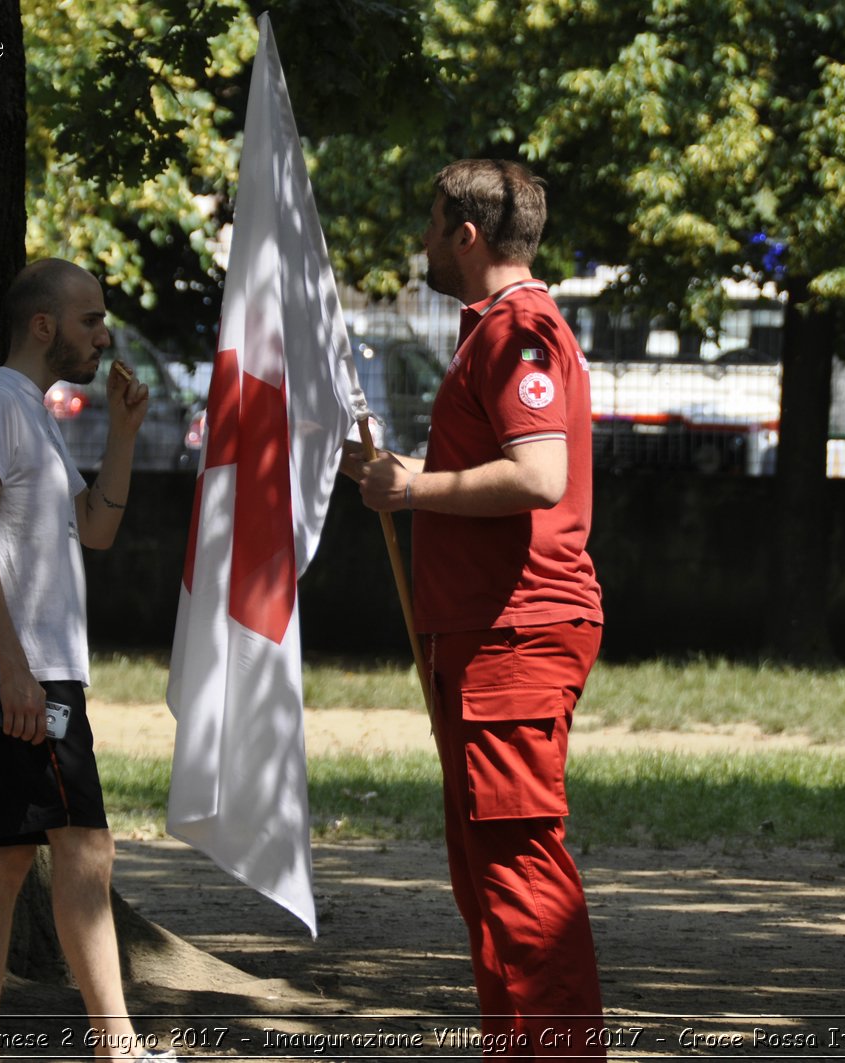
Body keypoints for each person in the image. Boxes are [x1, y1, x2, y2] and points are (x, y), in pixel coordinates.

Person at [346, 159, 607, 1059]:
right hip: (487, 636)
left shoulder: (517, 330)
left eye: (430, 224)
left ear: (465, 233)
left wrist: (415, 487)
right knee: (489, 877)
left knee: (520, 873)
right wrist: (398, 478)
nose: (422, 242)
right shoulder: (491, 331)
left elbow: (540, 476)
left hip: (515, 636)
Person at [0, 259, 162, 1061]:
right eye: (90, 320)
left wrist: (125, 436)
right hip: (27, 673)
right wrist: (12, 668)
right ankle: (117, 1046)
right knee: (85, 845)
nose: (103, 337)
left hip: (36, 671)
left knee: (4, 857)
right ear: (44, 325)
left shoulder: (30, 413)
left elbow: (93, 529)